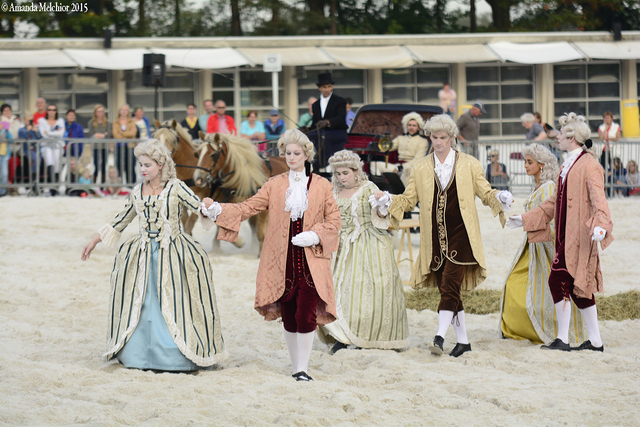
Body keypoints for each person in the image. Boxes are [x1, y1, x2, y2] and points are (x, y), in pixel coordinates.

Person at [203, 129, 341, 381]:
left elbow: (334, 220)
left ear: (306, 154)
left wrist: (316, 235)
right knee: (289, 313)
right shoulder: (274, 184)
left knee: (306, 312)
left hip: (311, 260)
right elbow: (248, 207)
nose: (291, 157)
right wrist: (217, 210)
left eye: (296, 153)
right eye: (287, 152)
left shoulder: (322, 185)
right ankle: (295, 366)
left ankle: (303, 368)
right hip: (281, 260)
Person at [371, 114, 513, 357]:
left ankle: (439, 336)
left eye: (443, 137)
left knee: (449, 285)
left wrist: (499, 197)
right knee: (450, 290)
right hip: (434, 238)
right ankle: (464, 342)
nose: (438, 142)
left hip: (462, 234)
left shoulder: (470, 163)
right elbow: (408, 199)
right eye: (434, 137)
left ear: (452, 137)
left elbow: (485, 191)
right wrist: (388, 200)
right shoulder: (421, 167)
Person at [81, 139, 226, 371]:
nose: (143, 169)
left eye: (147, 165)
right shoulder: (138, 191)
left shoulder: (176, 187)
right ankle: (140, 353)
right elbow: (122, 219)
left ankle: (174, 354)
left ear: (161, 165)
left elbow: (198, 206)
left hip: (174, 254)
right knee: (144, 303)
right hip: (143, 256)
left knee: (174, 302)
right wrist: (94, 241)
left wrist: (209, 206)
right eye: (140, 165)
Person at [507, 112, 613, 353]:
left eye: (561, 134)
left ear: (572, 138)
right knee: (572, 284)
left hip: (580, 235)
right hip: (565, 236)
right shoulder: (567, 164)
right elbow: (554, 202)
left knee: (565, 281)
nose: (557, 137)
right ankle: (587, 341)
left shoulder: (590, 165)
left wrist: (601, 225)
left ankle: (569, 340)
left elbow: (600, 200)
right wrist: (525, 219)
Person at [318, 150, 409, 353]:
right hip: (339, 246)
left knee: (364, 291)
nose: (342, 178)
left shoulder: (369, 188)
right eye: (338, 174)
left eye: (346, 173)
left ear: (356, 171)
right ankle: (341, 336)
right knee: (336, 291)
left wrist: (382, 207)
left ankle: (366, 336)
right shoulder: (333, 191)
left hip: (368, 243)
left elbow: (381, 217)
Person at [500, 143, 585, 344]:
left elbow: (551, 218)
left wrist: (526, 221)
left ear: (541, 165)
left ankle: (542, 329)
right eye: (525, 162)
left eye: (529, 162)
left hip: (544, 246)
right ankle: (523, 328)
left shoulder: (549, 187)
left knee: (541, 288)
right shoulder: (538, 186)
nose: (525, 166)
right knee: (514, 283)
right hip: (532, 244)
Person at [369, 112, 429, 186]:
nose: (411, 127)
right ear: (406, 126)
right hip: (397, 166)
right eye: (409, 125)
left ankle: (404, 194)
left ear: (418, 127)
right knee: (374, 164)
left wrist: (401, 167)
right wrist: (377, 146)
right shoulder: (400, 138)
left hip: (410, 167)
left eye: (414, 125)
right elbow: (388, 147)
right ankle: (381, 187)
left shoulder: (423, 141)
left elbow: (417, 160)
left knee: (407, 170)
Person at [307, 72, 349, 169]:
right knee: (308, 137)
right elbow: (315, 123)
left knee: (322, 137)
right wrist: (307, 130)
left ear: (332, 87)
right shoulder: (315, 105)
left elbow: (341, 118)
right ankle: (311, 164)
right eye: (324, 87)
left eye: (329, 87)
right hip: (321, 132)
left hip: (337, 132)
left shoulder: (340, 101)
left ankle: (324, 164)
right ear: (319, 88)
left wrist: (328, 122)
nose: (327, 89)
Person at [38, 104, 65, 194]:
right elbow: (43, 134)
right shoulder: (42, 121)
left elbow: (61, 133)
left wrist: (49, 133)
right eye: (49, 110)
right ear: (47, 111)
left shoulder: (60, 120)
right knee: (50, 163)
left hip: (58, 147)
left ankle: (56, 188)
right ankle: (52, 187)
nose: (51, 112)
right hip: (46, 146)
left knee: (57, 167)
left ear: (56, 111)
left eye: (53, 110)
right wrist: (54, 133)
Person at [111, 104, 137, 183]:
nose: (124, 111)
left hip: (129, 146)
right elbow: (115, 135)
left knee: (130, 166)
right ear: (119, 111)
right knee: (119, 166)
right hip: (119, 146)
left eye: (126, 110)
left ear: (128, 112)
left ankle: (131, 186)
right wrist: (127, 133)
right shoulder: (115, 122)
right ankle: (119, 186)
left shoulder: (132, 121)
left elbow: (133, 134)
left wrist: (121, 133)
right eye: (122, 110)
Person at [86, 104, 111, 183]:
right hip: (96, 147)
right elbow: (90, 134)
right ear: (95, 113)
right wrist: (101, 135)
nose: (100, 113)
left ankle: (102, 186)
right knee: (96, 165)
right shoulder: (91, 123)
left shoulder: (107, 123)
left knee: (104, 166)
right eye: (98, 111)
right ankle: (94, 184)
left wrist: (97, 135)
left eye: (101, 111)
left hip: (104, 147)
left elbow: (109, 135)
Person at [0, 119, 13, 197]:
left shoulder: (4, 130)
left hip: (4, 154)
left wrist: (7, 131)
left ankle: (3, 192)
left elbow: (11, 140)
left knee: (5, 174)